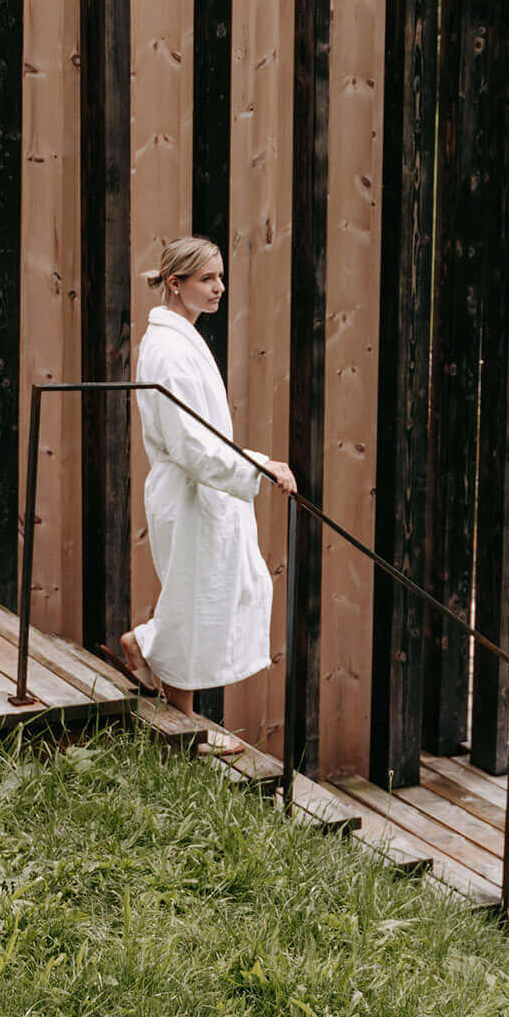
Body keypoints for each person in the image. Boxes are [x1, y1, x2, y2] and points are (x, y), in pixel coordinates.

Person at [111, 236, 297, 751]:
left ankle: (151, 657)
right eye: (207, 279)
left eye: (219, 277)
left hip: (203, 492)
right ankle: (185, 724)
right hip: (189, 490)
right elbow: (190, 443)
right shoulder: (169, 350)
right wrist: (259, 466)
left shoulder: (182, 338)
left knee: (208, 593)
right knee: (196, 599)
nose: (219, 288)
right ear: (176, 284)